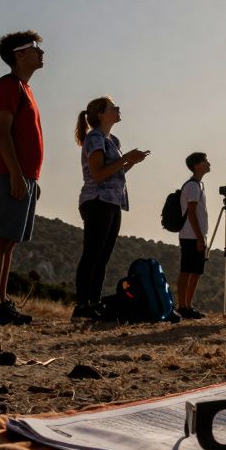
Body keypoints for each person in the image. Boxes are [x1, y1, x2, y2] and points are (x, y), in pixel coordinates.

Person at [0, 31, 46, 325]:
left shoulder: (23, 88)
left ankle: (0, 302)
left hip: (22, 175)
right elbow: (1, 131)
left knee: (9, 241)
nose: (41, 52)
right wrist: (16, 173)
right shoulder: (7, 86)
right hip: (7, 172)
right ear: (19, 55)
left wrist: (30, 178)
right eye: (35, 48)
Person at [73, 96, 149, 320]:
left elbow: (114, 173)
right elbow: (98, 174)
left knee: (102, 256)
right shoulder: (95, 138)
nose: (118, 109)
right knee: (92, 254)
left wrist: (129, 162)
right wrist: (125, 159)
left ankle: (94, 303)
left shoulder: (112, 140)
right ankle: (82, 305)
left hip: (113, 202)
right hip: (97, 201)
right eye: (113, 107)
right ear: (101, 114)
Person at [175, 152, 210, 320]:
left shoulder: (199, 185)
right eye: (205, 161)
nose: (208, 163)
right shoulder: (193, 186)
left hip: (196, 235)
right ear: (197, 165)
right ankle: (182, 306)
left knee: (196, 271)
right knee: (187, 270)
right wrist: (199, 237)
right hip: (191, 235)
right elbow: (191, 212)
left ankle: (188, 306)